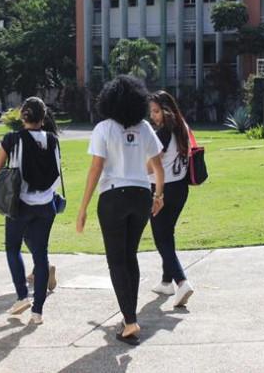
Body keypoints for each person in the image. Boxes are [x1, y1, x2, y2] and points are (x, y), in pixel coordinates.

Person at [76, 75, 165, 346]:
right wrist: (158, 194)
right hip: (141, 195)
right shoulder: (145, 128)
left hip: (113, 195)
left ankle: (129, 321)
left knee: (116, 260)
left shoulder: (104, 128)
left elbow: (96, 169)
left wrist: (83, 207)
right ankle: (130, 316)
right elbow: (158, 167)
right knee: (130, 257)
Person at [0, 97, 60, 325]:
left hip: (20, 204)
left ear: (22, 116)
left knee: (13, 248)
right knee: (41, 255)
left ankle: (22, 295)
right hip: (46, 205)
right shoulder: (52, 140)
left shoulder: (12, 139)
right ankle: (37, 311)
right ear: (43, 117)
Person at [148, 91, 195, 307]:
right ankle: (167, 282)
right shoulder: (183, 127)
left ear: (166, 110)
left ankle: (181, 281)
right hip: (181, 189)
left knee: (161, 238)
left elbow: (150, 165)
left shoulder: (163, 133)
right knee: (168, 233)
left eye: (156, 111)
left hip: (162, 190)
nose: (153, 116)